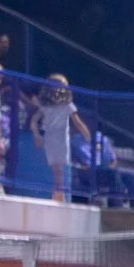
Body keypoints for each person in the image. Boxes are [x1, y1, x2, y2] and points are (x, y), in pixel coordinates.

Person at [31, 76, 91, 204]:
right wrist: (87, 135)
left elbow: (34, 121)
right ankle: (58, 195)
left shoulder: (48, 105)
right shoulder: (65, 104)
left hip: (51, 137)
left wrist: (37, 135)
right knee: (59, 168)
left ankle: (58, 194)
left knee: (57, 168)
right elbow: (78, 122)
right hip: (59, 137)